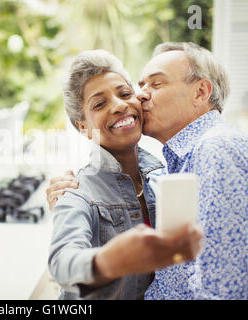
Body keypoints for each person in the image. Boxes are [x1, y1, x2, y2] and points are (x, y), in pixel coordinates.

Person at [47, 42, 248, 299]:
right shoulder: (77, 191)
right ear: (83, 127)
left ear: (200, 92)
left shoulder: (186, 165)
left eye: (154, 84)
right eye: (99, 104)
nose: (137, 97)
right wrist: (110, 260)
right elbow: (63, 264)